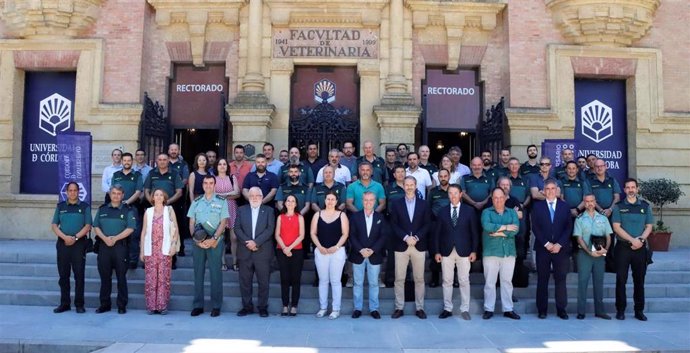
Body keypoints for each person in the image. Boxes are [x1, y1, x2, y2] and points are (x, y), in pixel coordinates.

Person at [433, 184, 478, 320]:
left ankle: (465, 309)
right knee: (447, 281)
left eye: (455, 193)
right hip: (446, 251)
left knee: (464, 280)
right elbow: (437, 234)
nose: (453, 196)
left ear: (460, 194)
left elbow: (474, 233)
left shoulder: (469, 211)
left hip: (464, 251)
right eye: (450, 193)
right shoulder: (442, 211)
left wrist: (474, 251)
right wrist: (436, 251)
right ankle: (448, 308)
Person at [612, 178, 654, 321]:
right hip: (623, 248)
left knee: (639, 280)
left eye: (633, 187)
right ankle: (620, 310)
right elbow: (616, 227)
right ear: (624, 190)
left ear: (637, 189)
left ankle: (639, 310)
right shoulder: (618, 206)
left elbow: (649, 226)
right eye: (628, 187)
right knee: (621, 280)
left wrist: (641, 240)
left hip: (640, 248)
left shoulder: (645, 206)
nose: (630, 190)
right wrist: (632, 240)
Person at [390, 176, 431, 319]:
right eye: (406, 185)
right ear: (403, 186)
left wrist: (416, 237)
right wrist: (406, 237)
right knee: (399, 279)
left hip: (418, 245)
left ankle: (420, 308)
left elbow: (427, 224)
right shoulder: (396, 203)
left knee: (419, 279)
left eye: (411, 184)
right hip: (402, 245)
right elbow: (393, 224)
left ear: (416, 185)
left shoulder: (424, 204)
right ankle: (399, 307)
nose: (409, 187)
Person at [188, 175, 229, 317]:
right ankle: (198, 305)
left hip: (215, 241)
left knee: (215, 274)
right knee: (198, 274)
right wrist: (196, 239)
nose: (208, 185)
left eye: (211, 183)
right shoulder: (197, 201)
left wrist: (214, 239)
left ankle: (216, 306)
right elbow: (192, 222)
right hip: (198, 242)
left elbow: (223, 222)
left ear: (215, 185)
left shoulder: (222, 201)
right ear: (203, 185)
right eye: (205, 183)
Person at [531, 179, 572, 319]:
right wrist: (547, 244)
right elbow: (535, 227)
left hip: (561, 249)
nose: (550, 191)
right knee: (543, 279)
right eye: (547, 188)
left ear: (557, 190)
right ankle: (542, 310)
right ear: (543, 190)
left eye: (553, 188)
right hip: (543, 249)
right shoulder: (537, 207)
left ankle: (561, 309)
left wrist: (559, 244)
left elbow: (568, 227)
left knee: (560, 279)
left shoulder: (565, 206)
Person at [93, 184, 136, 314]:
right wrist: (105, 239)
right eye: (113, 193)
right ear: (109, 195)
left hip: (120, 247)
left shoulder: (128, 210)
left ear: (122, 195)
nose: (116, 196)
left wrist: (115, 238)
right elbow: (96, 226)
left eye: (118, 193)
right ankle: (105, 304)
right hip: (104, 247)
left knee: (121, 277)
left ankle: (121, 305)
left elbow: (130, 228)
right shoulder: (102, 209)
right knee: (105, 277)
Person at [235, 187, 276, 317]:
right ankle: (247, 307)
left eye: (257, 195)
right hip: (245, 250)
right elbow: (237, 228)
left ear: (261, 197)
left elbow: (270, 229)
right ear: (248, 197)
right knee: (245, 281)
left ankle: (262, 307)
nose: (254, 198)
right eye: (251, 195)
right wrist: (249, 242)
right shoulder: (241, 210)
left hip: (263, 252)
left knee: (263, 282)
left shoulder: (269, 211)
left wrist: (256, 242)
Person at [51, 182, 92, 314]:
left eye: (75, 190)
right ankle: (65, 303)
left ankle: (79, 304)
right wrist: (65, 238)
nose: (73, 193)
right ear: (67, 192)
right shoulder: (61, 206)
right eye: (70, 190)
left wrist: (74, 238)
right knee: (63, 275)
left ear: (78, 192)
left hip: (79, 245)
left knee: (79, 275)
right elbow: (54, 225)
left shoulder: (85, 207)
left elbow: (87, 226)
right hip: (63, 244)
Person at [481, 187, 521, 320]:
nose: (498, 200)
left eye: (500, 197)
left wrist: (498, 232)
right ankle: (488, 308)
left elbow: (515, 230)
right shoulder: (486, 212)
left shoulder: (512, 213)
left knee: (507, 282)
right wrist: (505, 227)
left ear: (505, 198)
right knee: (490, 282)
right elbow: (487, 226)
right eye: (495, 198)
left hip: (508, 252)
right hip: (491, 252)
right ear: (492, 199)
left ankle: (508, 309)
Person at [139, 188, 179, 314]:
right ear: (152, 198)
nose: (158, 197)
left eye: (161, 195)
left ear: (164, 198)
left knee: (163, 278)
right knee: (151, 278)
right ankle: (151, 306)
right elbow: (144, 231)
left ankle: (162, 306)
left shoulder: (169, 210)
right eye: (156, 194)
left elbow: (176, 229)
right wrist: (141, 251)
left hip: (165, 248)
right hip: (150, 249)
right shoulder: (148, 212)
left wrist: (173, 245)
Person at [311, 191, 349, 319]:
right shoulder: (318, 214)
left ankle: (336, 309)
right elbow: (313, 233)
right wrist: (319, 247)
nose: (330, 201)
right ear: (325, 200)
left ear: (336, 201)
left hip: (337, 252)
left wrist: (337, 247)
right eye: (328, 199)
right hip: (321, 251)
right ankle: (323, 308)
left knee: (335, 281)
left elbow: (345, 234)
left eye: (333, 199)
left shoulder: (342, 215)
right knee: (323, 280)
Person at [573, 193, 612, 320]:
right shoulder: (579, 219)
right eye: (587, 201)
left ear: (595, 202)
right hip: (584, 254)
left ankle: (600, 311)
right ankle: (581, 311)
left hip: (600, 255)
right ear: (584, 203)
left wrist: (605, 249)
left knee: (599, 283)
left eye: (592, 201)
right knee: (582, 282)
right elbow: (579, 238)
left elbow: (608, 236)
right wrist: (589, 252)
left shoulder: (603, 218)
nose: (589, 203)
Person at [349, 191, 388, 319]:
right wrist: (361, 249)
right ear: (362, 201)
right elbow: (352, 235)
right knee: (358, 283)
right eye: (366, 200)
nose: (368, 202)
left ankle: (374, 309)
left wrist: (373, 250)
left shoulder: (380, 217)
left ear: (375, 201)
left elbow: (383, 236)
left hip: (374, 255)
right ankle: (357, 308)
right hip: (358, 254)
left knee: (373, 283)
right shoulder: (355, 216)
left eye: (371, 200)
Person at [144, 153, 184, 264]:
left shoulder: (174, 173)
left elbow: (179, 192)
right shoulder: (152, 173)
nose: (162, 161)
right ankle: (151, 259)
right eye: (160, 159)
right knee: (152, 232)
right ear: (157, 161)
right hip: (154, 208)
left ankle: (172, 259)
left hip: (170, 207)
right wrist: (153, 202)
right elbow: (146, 190)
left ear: (168, 161)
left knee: (171, 232)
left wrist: (167, 202)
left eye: (164, 159)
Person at [111, 152, 144, 269]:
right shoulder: (116, 175)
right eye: (124, 160)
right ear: (121, 161)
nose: (126, 162)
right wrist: (119, 203)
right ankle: (118, 259)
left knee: (134, 235)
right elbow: (113, 191)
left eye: (128, 160)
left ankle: (133, 260)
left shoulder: (137, 175)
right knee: (118, 233)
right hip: (117, 208)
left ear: (132, 161)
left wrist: (127, 202)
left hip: (132, 208)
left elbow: (138, 192)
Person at [275, 194, 305, 316]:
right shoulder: (280, 217)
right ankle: (285, 305)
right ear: (285, 203)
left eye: (293, 201)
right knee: (284, 278)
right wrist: (284, 248)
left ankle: (294, 306)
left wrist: (290, 248)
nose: (290, 203)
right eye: (288, 201)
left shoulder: (300, 217)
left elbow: (301, 235)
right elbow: (277, 235)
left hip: (296, 250)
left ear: (296, 204)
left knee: (296, 278)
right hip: (281, 250)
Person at [589, 158, 621, 272]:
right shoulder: (590, 181)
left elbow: (617, 197)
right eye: (597, 166)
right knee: (597, 239)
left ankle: (610, 265)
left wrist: (610, 209)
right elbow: (590, 198)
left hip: (611, 214)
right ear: (594, 168)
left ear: (605, 166)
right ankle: (598, 266)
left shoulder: (612, 180)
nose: (599, 168)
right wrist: (602, 210)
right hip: (596, 214)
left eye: (601, 166)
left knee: (610, 240)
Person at [214, 158, 240, 271]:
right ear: (216, 166)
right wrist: (229, 194)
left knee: (234, 238)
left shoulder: (232, 177)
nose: (222, 166)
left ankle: (235, 262)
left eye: (224, 164)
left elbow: (237, 193)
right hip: (218, 209)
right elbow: (212, 195)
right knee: (221, 237)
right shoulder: (213, 179)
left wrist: (222, 195)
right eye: (220, 164)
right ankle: (222, 262)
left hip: (232, 208)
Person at [427, 168, 452, 288]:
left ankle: (454, 278)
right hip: (436, 225)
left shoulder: (454, 190)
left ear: (449, 177)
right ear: (438, 178)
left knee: (452, 251)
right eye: (440, 176)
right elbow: (428, 208)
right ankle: (435, 278)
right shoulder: (433, 191)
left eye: (445, 176)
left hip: (452, 226)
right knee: (434, 252)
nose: (443, 178)